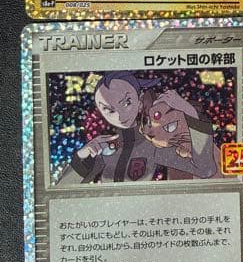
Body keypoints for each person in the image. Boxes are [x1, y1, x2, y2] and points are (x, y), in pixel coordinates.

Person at [56, 71, 220, 184]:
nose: (119, 115)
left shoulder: (154, 145)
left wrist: (191, 115)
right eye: (109, 110)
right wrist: (81, 156)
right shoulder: (104, 147)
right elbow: (63, 189)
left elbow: (205, 169)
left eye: (126, 103)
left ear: (140, 101)